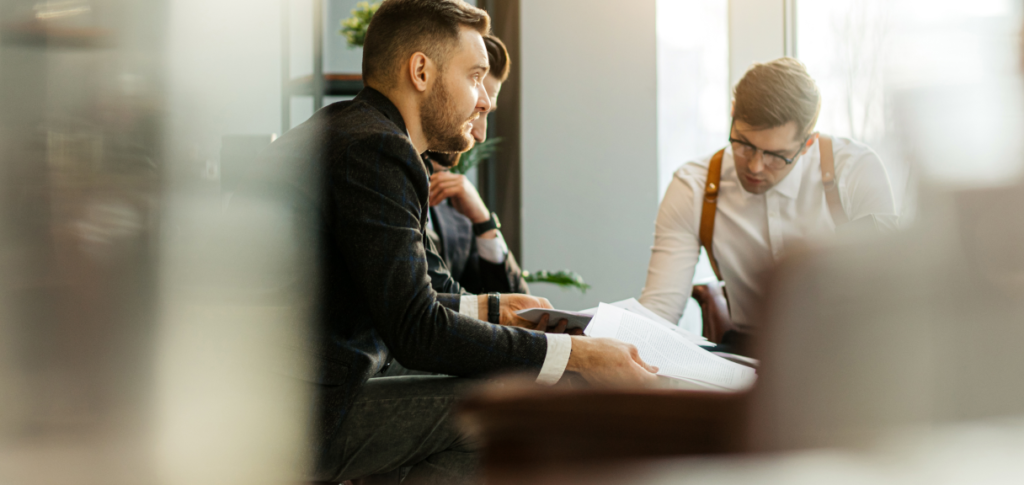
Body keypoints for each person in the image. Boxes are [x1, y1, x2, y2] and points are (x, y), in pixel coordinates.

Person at [258, 1, 659, 483]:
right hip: (292, 419)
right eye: (474, 77)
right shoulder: (376, 149)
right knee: (506, 411)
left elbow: (388, 299)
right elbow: (415, 329)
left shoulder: (348, 128)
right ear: (421, 71)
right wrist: (578, 354)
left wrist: (495, 309)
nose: (484, 100)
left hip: (286, 391)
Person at [640, 57, 898, 336]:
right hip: (745, 360)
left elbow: (890, 296)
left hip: (843, 352)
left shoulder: (855, 171)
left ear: (807, 143)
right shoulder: (694, 185)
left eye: (776, 156)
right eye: (744, 145)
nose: (755, 167)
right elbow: (659, 310)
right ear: (732, 114)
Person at [423, 34, 529, 295]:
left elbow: (513, 302)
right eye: (476, 109)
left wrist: (484, 222)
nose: (480, 135)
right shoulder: (379, 177)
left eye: (486, 113)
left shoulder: (456, 210)